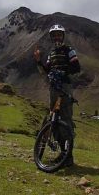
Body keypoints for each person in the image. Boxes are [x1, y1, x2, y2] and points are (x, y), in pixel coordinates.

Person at [33, 24, 80, 167]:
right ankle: (62, 153)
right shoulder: (51, 53)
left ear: (63, 36)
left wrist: (63, 73)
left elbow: (76, 67)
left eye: (59, 34)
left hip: (65, 87)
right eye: (54, 35)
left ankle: (68, 156)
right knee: (54, 119)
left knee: (65, 120)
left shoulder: (69, 50)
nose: (56, 37)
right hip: (53, 88)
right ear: (51, 37)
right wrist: (38, 60)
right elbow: (47, 71)